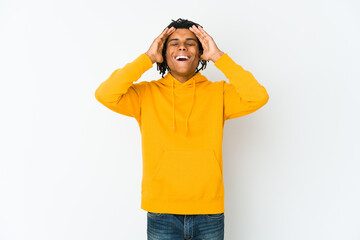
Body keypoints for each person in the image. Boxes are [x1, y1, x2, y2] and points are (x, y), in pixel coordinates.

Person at [95, 18, 269, 240]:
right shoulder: (145, 95)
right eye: (173, 43)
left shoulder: (219, 93)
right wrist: (147, 58)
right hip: (161, 210)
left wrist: (219, 57)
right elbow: (105, 94)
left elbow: (258, 96)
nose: (182, 47)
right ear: (164, 53)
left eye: (190, 42)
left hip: (208, 210)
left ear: (200, 52)